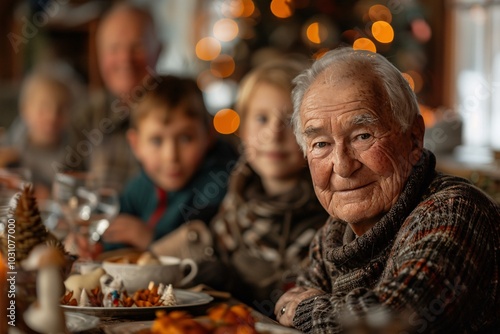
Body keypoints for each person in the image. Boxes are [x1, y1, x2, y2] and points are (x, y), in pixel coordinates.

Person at [273, 47, 500, 333]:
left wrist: (305, 311)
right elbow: (293, 304)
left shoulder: (455, 211)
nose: (342, 166)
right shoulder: (332, 237)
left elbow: (395, 318)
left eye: (362, 136)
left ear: (414, 139)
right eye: (321, 144)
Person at [149, 59, 329, 314]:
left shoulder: (326, 217)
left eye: (290, 121)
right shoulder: (235, 202)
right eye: (261, 118)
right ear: (243, 130)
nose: (273, 134)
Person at [100, 75, 237, 253]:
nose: (171, 156)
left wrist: (152, 239)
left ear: (208, 137)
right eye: (157, 141)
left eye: (186, 138)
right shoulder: (141, 185)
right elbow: (115, 229)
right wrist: (96, 244)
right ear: (135, 144)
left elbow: (209, 250)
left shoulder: (218, 186)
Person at [76, 2, 163, 190]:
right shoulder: (86, 114)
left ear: (158, 51)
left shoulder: (180, 108)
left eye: (137, 47)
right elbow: (66, 184)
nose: (125, 59)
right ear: (99, 55)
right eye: (114, 48)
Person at [0, 62, 84, 200]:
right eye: (43, 108)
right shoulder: (9, 146)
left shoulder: (75, 153)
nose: (52, 116)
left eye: (61, 109)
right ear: (25, 109)